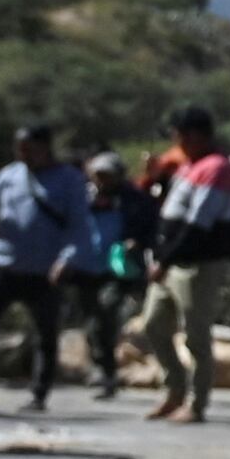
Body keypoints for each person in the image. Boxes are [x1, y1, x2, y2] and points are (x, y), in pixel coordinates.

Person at [0, 123, 86, 417]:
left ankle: (39, 393)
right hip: (3, 265)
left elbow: (79, 226)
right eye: (18, 147)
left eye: (28, 148)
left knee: (45, 334)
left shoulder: (70, 180)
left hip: (44, 271)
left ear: (45, 147)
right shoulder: (10, 174)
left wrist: (67, 259)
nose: (22, 153)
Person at [132, 107, 230, 422]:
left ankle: (196, 401)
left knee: (195, 334)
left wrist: (166, 259)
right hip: (171, 260)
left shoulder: (216, 168)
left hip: (197, 262)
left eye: (178, 135)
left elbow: (197, 224)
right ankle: (174, 389)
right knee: (153, 324)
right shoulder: (189, 166)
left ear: (195, 136)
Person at [72, 150, 144, 397]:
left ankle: (107, 370)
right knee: (91, 320)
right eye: (98, 176)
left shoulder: (133, 199)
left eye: (107, 176)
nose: (102, 181)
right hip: (86, 265)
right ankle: (101, 368)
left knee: (107, 309)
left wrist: (136, 241)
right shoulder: (83, 197)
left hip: (116, 268)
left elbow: (148, 225)